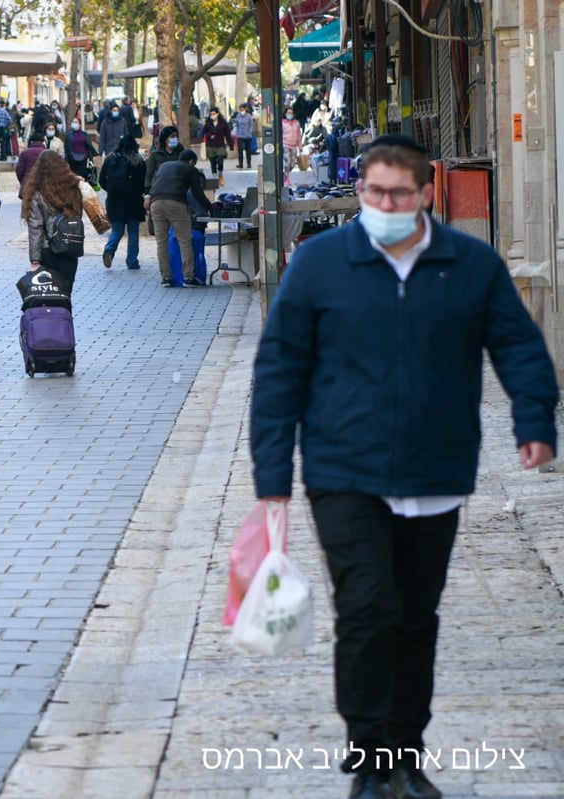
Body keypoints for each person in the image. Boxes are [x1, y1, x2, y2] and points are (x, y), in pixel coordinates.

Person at [251, 135, 559, 799]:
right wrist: (272, 477)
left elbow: (520, 346)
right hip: (344, 469)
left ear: (424, 195)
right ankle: (369, 759)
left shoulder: (468, 265)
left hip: (434, 469)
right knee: (367, 607)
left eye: (397, 194)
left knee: (416, 617)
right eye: (372, 192)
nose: (383, 204)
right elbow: (279, 369)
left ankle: (405, 755)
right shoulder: (320, 264)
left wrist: (534, 423)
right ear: (360, 190)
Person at [146, 149, 213, 287]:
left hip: (156, 203)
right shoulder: (190, 169)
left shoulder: (164, 166)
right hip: (176, 203)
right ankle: (188, 277)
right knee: (185, 241)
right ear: (191, 161)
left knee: (161, 242)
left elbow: (154, 184)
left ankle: (166, 278)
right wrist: (210, 207)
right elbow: (197, 193)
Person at [22, 150, 85, 294]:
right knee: (66, 293)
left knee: (50, 296)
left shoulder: (37, 193)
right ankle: (66, 316)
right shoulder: (73, 189)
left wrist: (35, 260)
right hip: (70, 247)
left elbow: (36, 228)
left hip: (48, 250)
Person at [99, 135, 147, 270]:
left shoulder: (110, 159)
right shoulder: (138, 160)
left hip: (115, 201)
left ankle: (109, 249)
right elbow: (143, 182)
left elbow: (102, 180)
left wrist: (111, 191)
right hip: (134, 202)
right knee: (133, 231)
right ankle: (132, 261)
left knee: (117, 230)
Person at [200, 107, 233, 186]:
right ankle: (214, 178)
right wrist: (209, 135)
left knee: (220, 160)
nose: (212, 115)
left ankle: (220, 175)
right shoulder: (208, 123)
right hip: (210, 146)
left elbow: (228, 134)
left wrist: (231, 145)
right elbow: (203, 133)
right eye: (211, 114)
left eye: (214, 114)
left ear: (217, 113)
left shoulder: (223, 123)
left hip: (220, 145)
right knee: (213, 162)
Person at [144, 126, 184, 192]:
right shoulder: (155, 155)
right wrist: (147, 194)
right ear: (165, 139)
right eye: (172, 136)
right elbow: (149, 175)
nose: (175, 138)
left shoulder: (181, 153)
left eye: (176, 136)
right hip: (160, 190)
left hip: (178, 190)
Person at [233, 104, 255, 169]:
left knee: (248, 150)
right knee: (240, 150)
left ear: (245, 109)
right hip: (240, 135)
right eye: (240, 110)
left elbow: (251, 126)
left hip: (247, 135)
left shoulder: (249, 116)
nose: (241, 111)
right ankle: (240, 163)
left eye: (242, 109)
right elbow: (236, 125)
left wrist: (249, 132)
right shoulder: (238, 116)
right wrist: (236, 133)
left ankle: (249, 163)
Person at [281, 107, 302, 174]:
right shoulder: (282, 123)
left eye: (291, 113)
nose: (290, 114)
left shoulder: (296, 123)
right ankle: (286, 178)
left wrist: (300, 146)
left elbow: (299, 135)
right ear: (285, 114)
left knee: (292, 164)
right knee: (287, 162)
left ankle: (285, 175)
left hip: (294, 146)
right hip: (285, 145)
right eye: (288, 113)